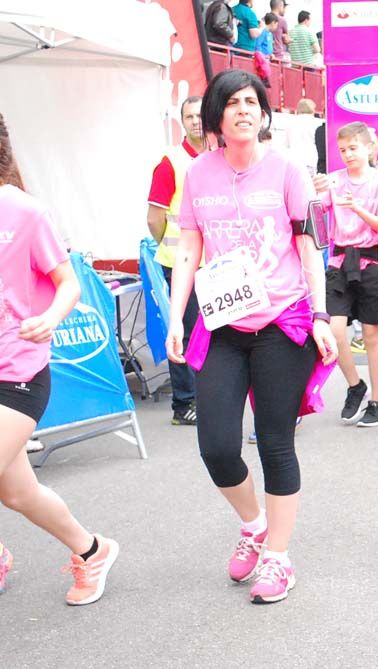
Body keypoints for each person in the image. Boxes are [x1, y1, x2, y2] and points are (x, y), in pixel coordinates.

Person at [166, 69, 336, 605]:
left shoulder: (287, 170)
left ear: (262, 113)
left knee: (275, 441)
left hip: (281, 324)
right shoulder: (197, 174)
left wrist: (323, 316)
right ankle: (254, 524)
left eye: (251, 102)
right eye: (232, 102)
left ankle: (279, 558)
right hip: (220, 325)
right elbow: (189, 249)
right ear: (215, 115)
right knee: (216, 445)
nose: (243, 110)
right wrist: (176, 318)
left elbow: (309, 247)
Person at [0, 112, 120, 605]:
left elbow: (67, 283)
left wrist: (50, 316)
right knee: (17, 494)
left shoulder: (25, 212)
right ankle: (92, 550)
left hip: (16, 370)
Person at [317, 121, 378, 427]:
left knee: (372, 334)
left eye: (353, 148)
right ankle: (354, 385)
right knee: (333, 331)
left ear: (369, 148)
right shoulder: (334, 181)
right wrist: (314, 191)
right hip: (339, 261)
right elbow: (316, 214)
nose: (348, 155)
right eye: (343, 150)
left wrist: (359, 209)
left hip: (371, 260)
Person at [146, 95, 206, 426]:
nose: (196, 121)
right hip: (181, 262)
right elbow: (154, 218)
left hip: (214, 264)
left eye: (200, 115)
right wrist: (171, 250)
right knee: (182, 329)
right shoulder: (171, 161)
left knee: (212, 330)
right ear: (181, 121)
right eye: (190, 116)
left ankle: (207, 395)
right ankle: (184, 403)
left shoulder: (216, 157)